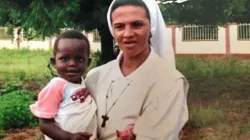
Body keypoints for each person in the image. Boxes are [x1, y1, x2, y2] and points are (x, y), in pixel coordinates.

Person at [85, 0, 189, 140]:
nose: (128, 34)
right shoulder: (94, 77)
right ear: (112, 31)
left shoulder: (170, 82)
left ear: (151, 28)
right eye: (120, 26)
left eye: (137, 25)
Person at [30, 30, 97, 140]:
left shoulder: (84, 82)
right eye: (65, 58)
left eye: (79, 59)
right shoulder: (56, 87)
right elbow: (45, 124)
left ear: (88, 62)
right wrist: (69, 137)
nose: (72, 64)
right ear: (53, 62)